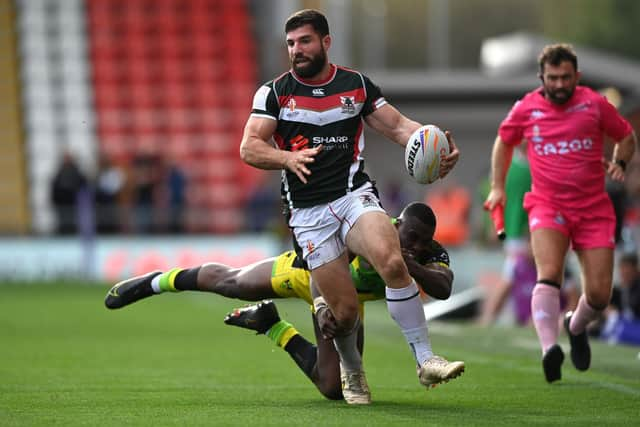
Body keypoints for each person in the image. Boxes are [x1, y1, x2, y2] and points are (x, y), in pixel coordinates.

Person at [237, 9, 462, 404]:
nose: (296, 51)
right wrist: (288, 159)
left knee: (392, 261)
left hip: (353, 195)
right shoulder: (273, 93)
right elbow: (249, 147)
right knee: (343, 315)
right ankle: (353, 371)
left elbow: (397, 127)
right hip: (308, 213)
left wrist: (433, 147)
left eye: (304, 41)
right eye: (290, 44)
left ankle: (425, 360)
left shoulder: (356, 85)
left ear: (326, 42)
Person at [105, 202, 457, 400]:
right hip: (311, 276)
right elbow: (325, 266)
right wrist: (321, 308)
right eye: (412, 237)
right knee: (231, 282)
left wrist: (409, 263)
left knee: (332, 388)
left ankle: (272, 325)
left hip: (348, 306)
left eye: (425, 241)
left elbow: (443, 287)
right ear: (396, 226)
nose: (419, 245)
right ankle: (155, 282)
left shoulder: (421, 252)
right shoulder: (369, 233)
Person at [484, 43, 637, 383]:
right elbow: (504, 141)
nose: (558, 84)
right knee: (549, 273)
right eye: (552, 78)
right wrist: (497, 186)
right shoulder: (527, 108)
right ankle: (549, 348)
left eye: (565, 77)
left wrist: (621, 162)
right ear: (542, 77)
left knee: (599, 296)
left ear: (576, 76)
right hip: (548, 205)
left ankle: (575, 324)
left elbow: (626, 136)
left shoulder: (595, 104)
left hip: (594, 210)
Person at [598, 252, 640, 345]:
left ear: (635, 270)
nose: (624, 272)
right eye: (622, 268)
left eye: (627, 268)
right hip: (624, 324)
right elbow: (607, 305)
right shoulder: (619, 289)